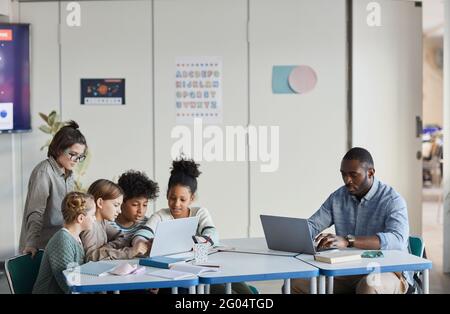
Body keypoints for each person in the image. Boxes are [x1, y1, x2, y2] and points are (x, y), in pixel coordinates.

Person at [291, 147, 411, 294]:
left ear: (370, 173)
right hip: (348, 269)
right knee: (297, 283)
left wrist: (348, 241)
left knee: (368, 286)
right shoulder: (338, 197)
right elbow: (313, 225)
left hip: (387, 271)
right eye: (344, 174)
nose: (347, 180)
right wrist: (293, 235)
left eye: (353, 175)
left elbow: (397, 239)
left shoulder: (392, 200)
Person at [134, 157, 254, 294]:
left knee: (247, 292)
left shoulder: (199, 213)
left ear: (192, 198)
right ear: (167, 195)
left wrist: (191, 243)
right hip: (181, 272)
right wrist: (141, 243)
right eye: (172, 198)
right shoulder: (161, 216)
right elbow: (141, 234)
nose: (176, 204)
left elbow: (213, 235)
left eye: (183, 199)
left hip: (205, 266)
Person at [19, 121, 87, 256]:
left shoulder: (68, 173)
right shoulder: (44, 172)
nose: (75, 160)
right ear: (59, 149)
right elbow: (35, 212)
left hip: (59, 243)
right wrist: (31, 243)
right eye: (72, 154)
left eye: (80, 157)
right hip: (40, 248)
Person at [33, 192, 96, 294]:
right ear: (80, 218)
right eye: (93, 215)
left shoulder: (75, 237)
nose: (95, 219)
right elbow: (69, 285)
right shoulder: (62, 240)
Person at [80, 179, 148, 261]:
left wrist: (106, 248)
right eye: (116, 205)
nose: (119, 211)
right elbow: (90, 258)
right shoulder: (89, 226)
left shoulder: (103, 222)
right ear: (100, 203)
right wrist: (129, 252)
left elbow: (123, 237)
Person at [110, 170, 159, 239]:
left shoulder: (148, 225)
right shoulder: (108, 224)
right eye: (135, 205)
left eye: (145, 205)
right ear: (121, 201)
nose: (140, 211)